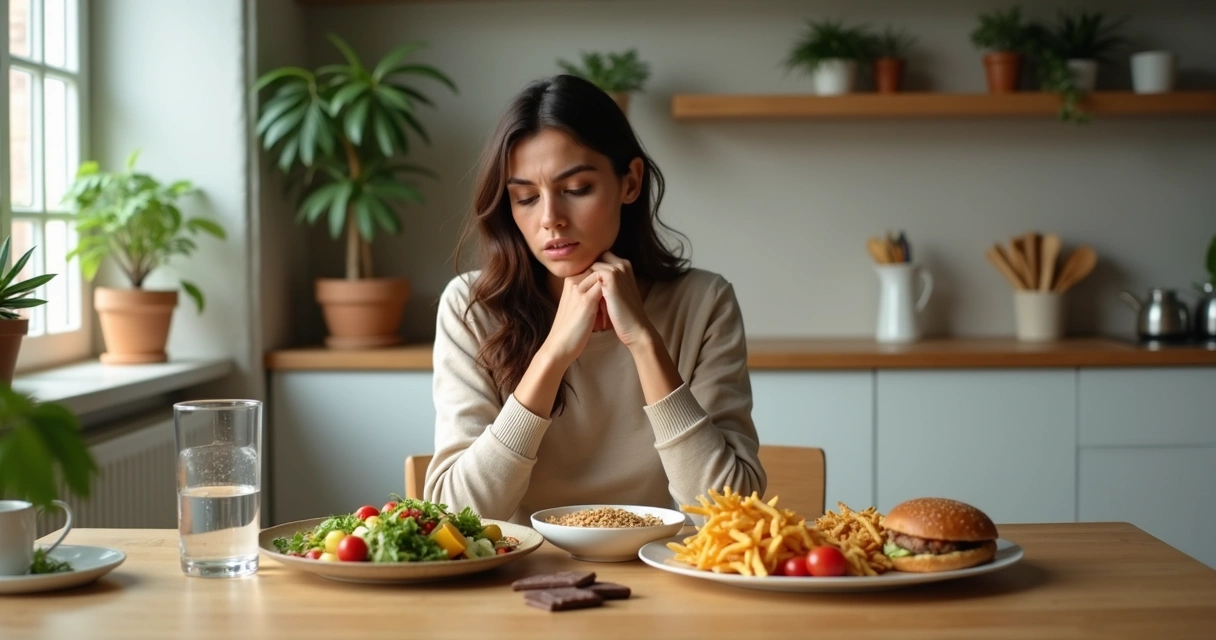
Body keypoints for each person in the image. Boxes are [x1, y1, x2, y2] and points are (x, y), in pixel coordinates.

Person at [424, 74, 765, 525]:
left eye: (576, 189)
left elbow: (732, 518)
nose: (550, 219)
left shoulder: (704, 303)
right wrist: (553, 355)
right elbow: (452, 518)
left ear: (630, 182)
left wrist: (644, 341)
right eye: (526, 197)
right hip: (521, 581)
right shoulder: (471, 307)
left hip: (667, 576)